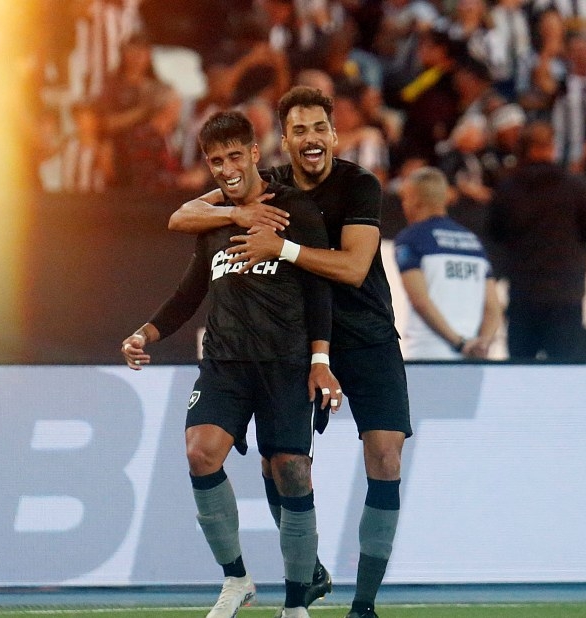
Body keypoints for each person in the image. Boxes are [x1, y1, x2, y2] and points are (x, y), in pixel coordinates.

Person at [168, 86, 412, 618]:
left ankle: (363, 605)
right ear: (284, 140)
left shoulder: (359, 184)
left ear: (334, 134)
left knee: (386, 456)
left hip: (366, 333)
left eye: (319, 128)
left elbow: (353, 268)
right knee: (281, 462)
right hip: (299, 338)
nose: (311, 139)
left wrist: (282, 246)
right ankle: (309, 572)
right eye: (299, 130)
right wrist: (235, 216)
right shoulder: (268, 185)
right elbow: (183, 216)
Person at [120, 110, 341, 618]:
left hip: (284, 364)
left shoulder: (295, 210)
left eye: (235, 157)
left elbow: (318, 289)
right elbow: (188, 293)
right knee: (200, 453)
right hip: (224, 364)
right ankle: (237, 578)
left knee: (291, 472)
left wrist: (320, 359)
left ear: (255, 153)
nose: (226, 169)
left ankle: (296, 603)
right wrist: (144, 332)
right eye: (216, 161)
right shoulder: (215, 220)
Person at [488, 121, 586, 360]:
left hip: (523, 293)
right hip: (565, 294)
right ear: (549, 148)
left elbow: (494, 232)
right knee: (563, 369)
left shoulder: (508, 189)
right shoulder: (575, 186)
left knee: (521, 368)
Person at [394, 166, 503, 359]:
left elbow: (420, 300)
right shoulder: (473, 242)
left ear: (416, 200)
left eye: (405, 198)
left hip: (428, 351)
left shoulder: (411, 239)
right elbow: (493, 308)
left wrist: (460, 343)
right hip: (471, 357)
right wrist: (482, 344)